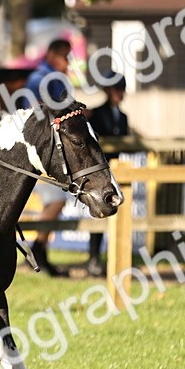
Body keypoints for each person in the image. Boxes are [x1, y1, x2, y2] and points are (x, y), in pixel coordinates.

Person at [23, 39, 75, 275]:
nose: (69, 62)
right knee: (56, 201)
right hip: (42, 151)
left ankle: (39, 250)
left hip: (43, 149)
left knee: (53, 201)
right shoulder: (44, 80)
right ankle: (37, 249)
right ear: (55, 56)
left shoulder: (46, 78)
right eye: (67, 57)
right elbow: (37, 114)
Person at [84, 77, 131, 276]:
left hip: (115, 171)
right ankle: (94, 257)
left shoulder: (123, 117)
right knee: (98, 213)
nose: (120, 94)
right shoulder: (95, 114)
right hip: (100, 173)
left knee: (119, 215)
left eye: (122, 90)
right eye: (116, 90)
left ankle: (117, 258)